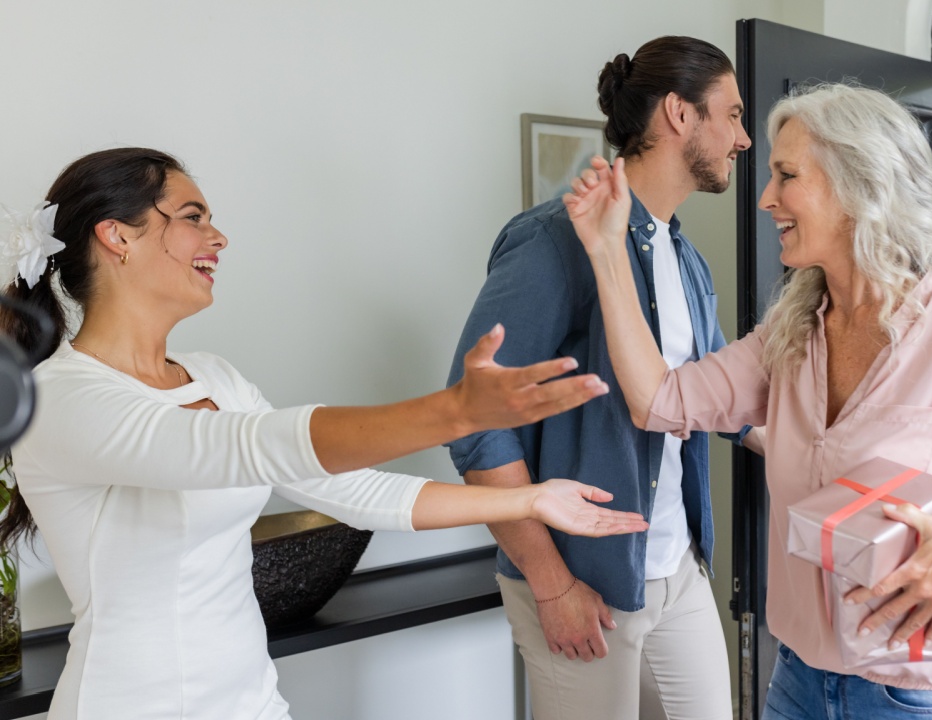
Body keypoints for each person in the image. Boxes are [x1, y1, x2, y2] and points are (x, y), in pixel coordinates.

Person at [1, 147, 649, 720]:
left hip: (252, 703)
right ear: (117, 236)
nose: (218, 236)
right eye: (193, 216)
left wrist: (526, 500)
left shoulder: (213, 377)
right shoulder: (60, 398)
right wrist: (454, 411)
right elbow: (242, 449)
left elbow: (350, 489)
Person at [563, 82, 932, 719]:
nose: (766, 198)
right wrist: (607, 251)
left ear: (860, 185)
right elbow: (661, 401)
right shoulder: (792, 332)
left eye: (786, 174)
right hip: (800, 681)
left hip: (928, 694)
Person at [444, 35, 752, 720]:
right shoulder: (553, 240)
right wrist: (551, 584)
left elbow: (722, 398)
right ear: (679, 113)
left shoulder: (687, 260)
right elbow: (473, 426)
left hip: (677, 571)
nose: (744, 137)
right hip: (580, 580)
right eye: (730, 115)